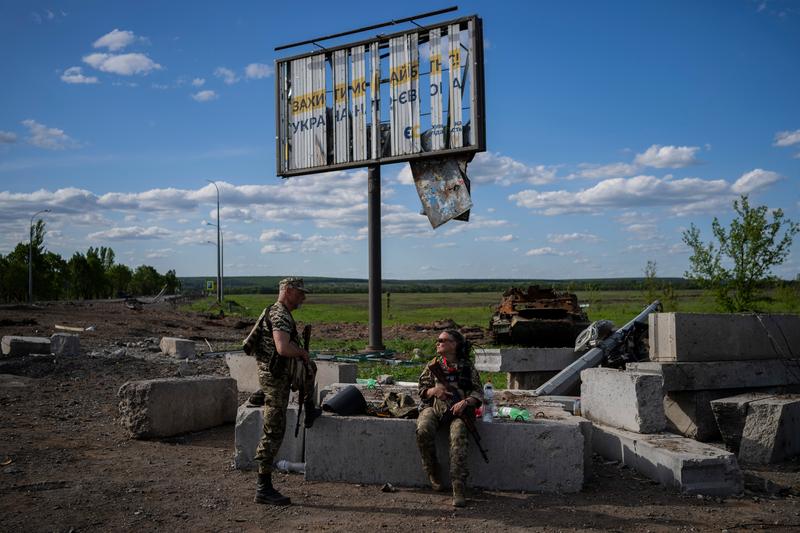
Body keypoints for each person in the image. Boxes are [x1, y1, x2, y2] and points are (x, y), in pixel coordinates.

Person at [247, 277, 322, 506]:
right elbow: (282, 347)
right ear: (288, 291)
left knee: (310, 368)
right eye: (300, 292)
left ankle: (309, 408)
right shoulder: (279, 314)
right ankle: (263, 487)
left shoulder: (277, 311)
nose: (303, 297)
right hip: (275, 380)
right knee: (274, 430)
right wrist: (301, 352)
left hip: (275, 377)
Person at [416, 329, 483, 507]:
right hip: (435, 409)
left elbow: (478, 391)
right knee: (423, 430)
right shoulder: (433, 365)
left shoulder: (467, 367)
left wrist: (466, 402)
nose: (438, 343)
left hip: (458, 412)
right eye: (438, 340)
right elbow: (421, 390)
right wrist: (434, 391)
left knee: (459, 436)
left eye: (443, 340)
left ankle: (458, 486)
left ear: (454, 344)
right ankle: (433, 471)